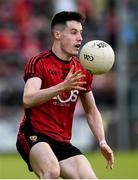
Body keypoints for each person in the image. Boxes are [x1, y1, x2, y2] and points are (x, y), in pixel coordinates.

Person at [16, 11, 114, 179]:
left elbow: (91, 111)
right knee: (52, 171)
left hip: (62, 141)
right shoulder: (39, 62)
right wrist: (63, 86)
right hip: (34, 134)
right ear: (58, 34)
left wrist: (102, 141)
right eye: (74, 32)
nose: (80, 38)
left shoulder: (82, 68)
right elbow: (28, 99)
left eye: (81, 33)